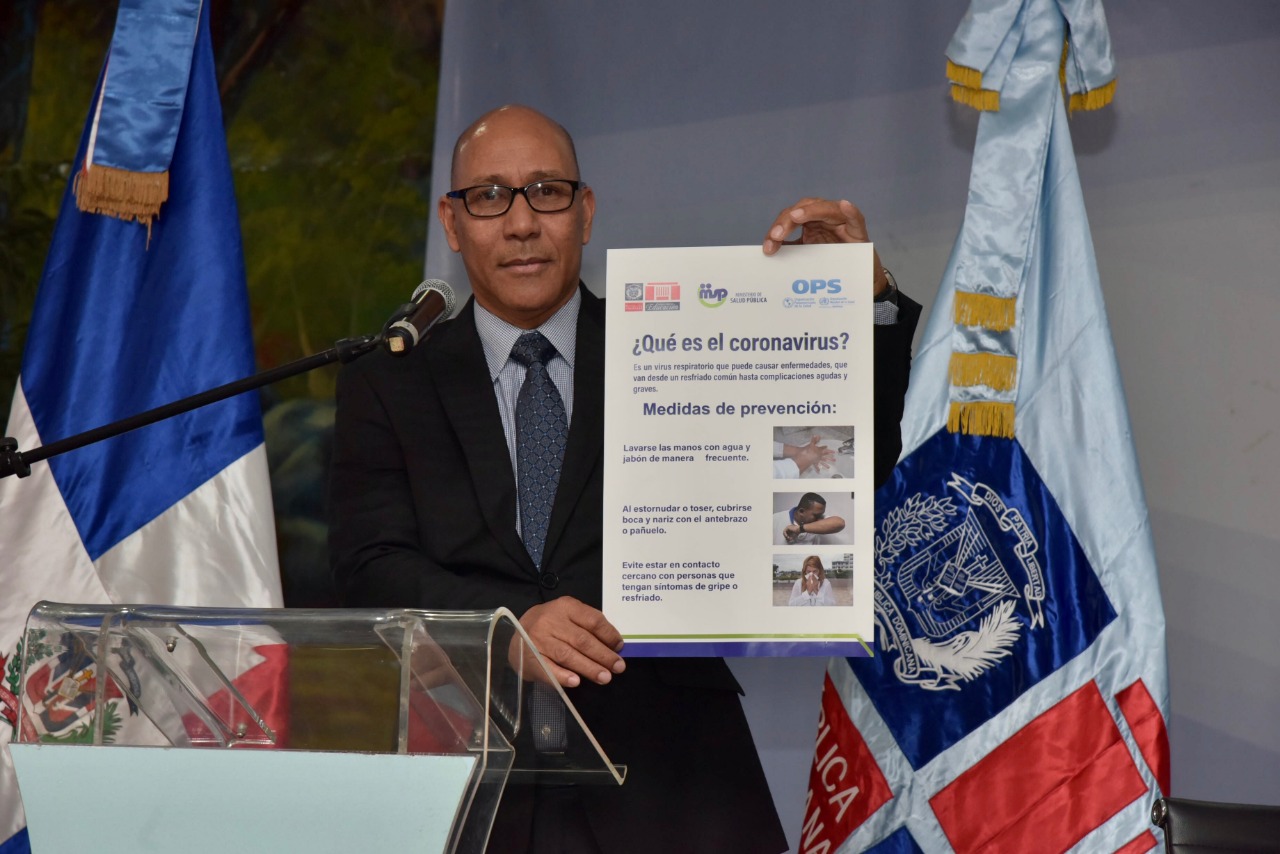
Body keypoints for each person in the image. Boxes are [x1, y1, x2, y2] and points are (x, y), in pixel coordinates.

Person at [328, 104, 922, 853]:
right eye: (488, 196)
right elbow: (367, 564)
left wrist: (859, 301)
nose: (519, 223)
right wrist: (506, 625)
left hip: (677, 779)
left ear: (585, 212)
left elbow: (841, 472)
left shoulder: (681, 342)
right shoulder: (390, 382)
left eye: (545, 191)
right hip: (470, 785)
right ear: (452, 223)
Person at [774, 491, 846, 545]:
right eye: (816, 515)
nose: (819, 519)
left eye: (821, 515)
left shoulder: (819, 517)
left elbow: (840, 523)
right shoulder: (774, 520)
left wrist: (799, 529)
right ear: (801, 511)